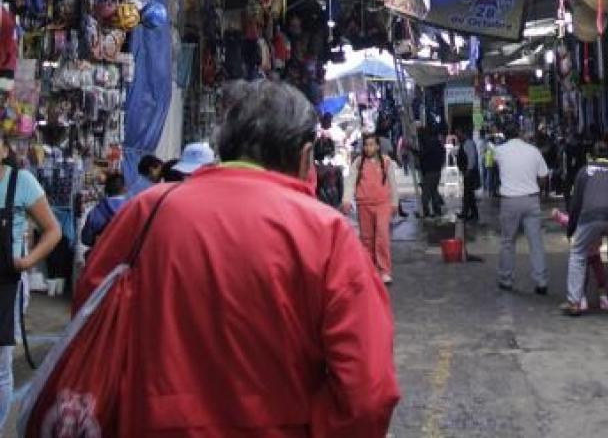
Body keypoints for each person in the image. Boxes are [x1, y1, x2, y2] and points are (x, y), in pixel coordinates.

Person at [76, 80, 400, 436]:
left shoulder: (145, 213)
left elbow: (88, 317)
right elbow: (368, 394)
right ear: (306, 156)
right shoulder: (327, 235)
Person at [0, 138, 61, 430]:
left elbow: (52, 231)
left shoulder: (20, 181)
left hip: (5, 283)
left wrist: (26, 262)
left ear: (3, 150)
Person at [563, 139, 608, 318]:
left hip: (590, 216)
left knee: (578, 253)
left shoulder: (584, 171)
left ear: (591, 156)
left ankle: (574, 302)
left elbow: (576, 203)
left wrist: (571, 229)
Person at [493, 123, 549, 295]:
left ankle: (506, 279)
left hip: (510, 201)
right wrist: (535, 189)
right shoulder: (533, 151)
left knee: (508, 242)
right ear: (520, 133)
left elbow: (496, 168)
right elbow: (544, 176)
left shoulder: (499, 151)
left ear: (506, 136)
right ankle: (541, 282)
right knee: (536, 242)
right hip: (531, 199)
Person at [344, 132, 399, 285]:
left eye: (372, 145)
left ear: (377, 146)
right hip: (364, 205)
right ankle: (370, 270)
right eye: (366, 145)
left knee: (382, 237)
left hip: (383, 204)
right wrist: (346, 200)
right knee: (367, 240)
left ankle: (384, 271)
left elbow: (393, 185)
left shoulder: (386, 162)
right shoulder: (358, 163)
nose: (369, 148)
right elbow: (350, 183)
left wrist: (395, 203)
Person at [81, 172, 128, 249]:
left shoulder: (95, 212)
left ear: (106, 190)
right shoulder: (131, 210)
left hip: (101, 256)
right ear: (124, 189)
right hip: (123, 258)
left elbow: (85, 239)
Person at [416, 125, 445, 218]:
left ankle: (425, 211)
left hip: (430, 171)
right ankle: (437, 210)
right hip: (436, 170)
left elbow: (421, 154)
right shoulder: (436, 142)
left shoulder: (429, 143)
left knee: (427, 192)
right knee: (433, 191)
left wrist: (411, 149)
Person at [457, 127, 480, 222]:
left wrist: (468, 170)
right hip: (467, 172)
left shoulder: (468, 143)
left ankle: (466, 213)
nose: (458, 136)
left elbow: (471, 158)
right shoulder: (464, 143)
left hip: (469, 173)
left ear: (463, 133)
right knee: (469, 195)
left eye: (458, 133)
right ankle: (473, 214)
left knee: (468, 194)